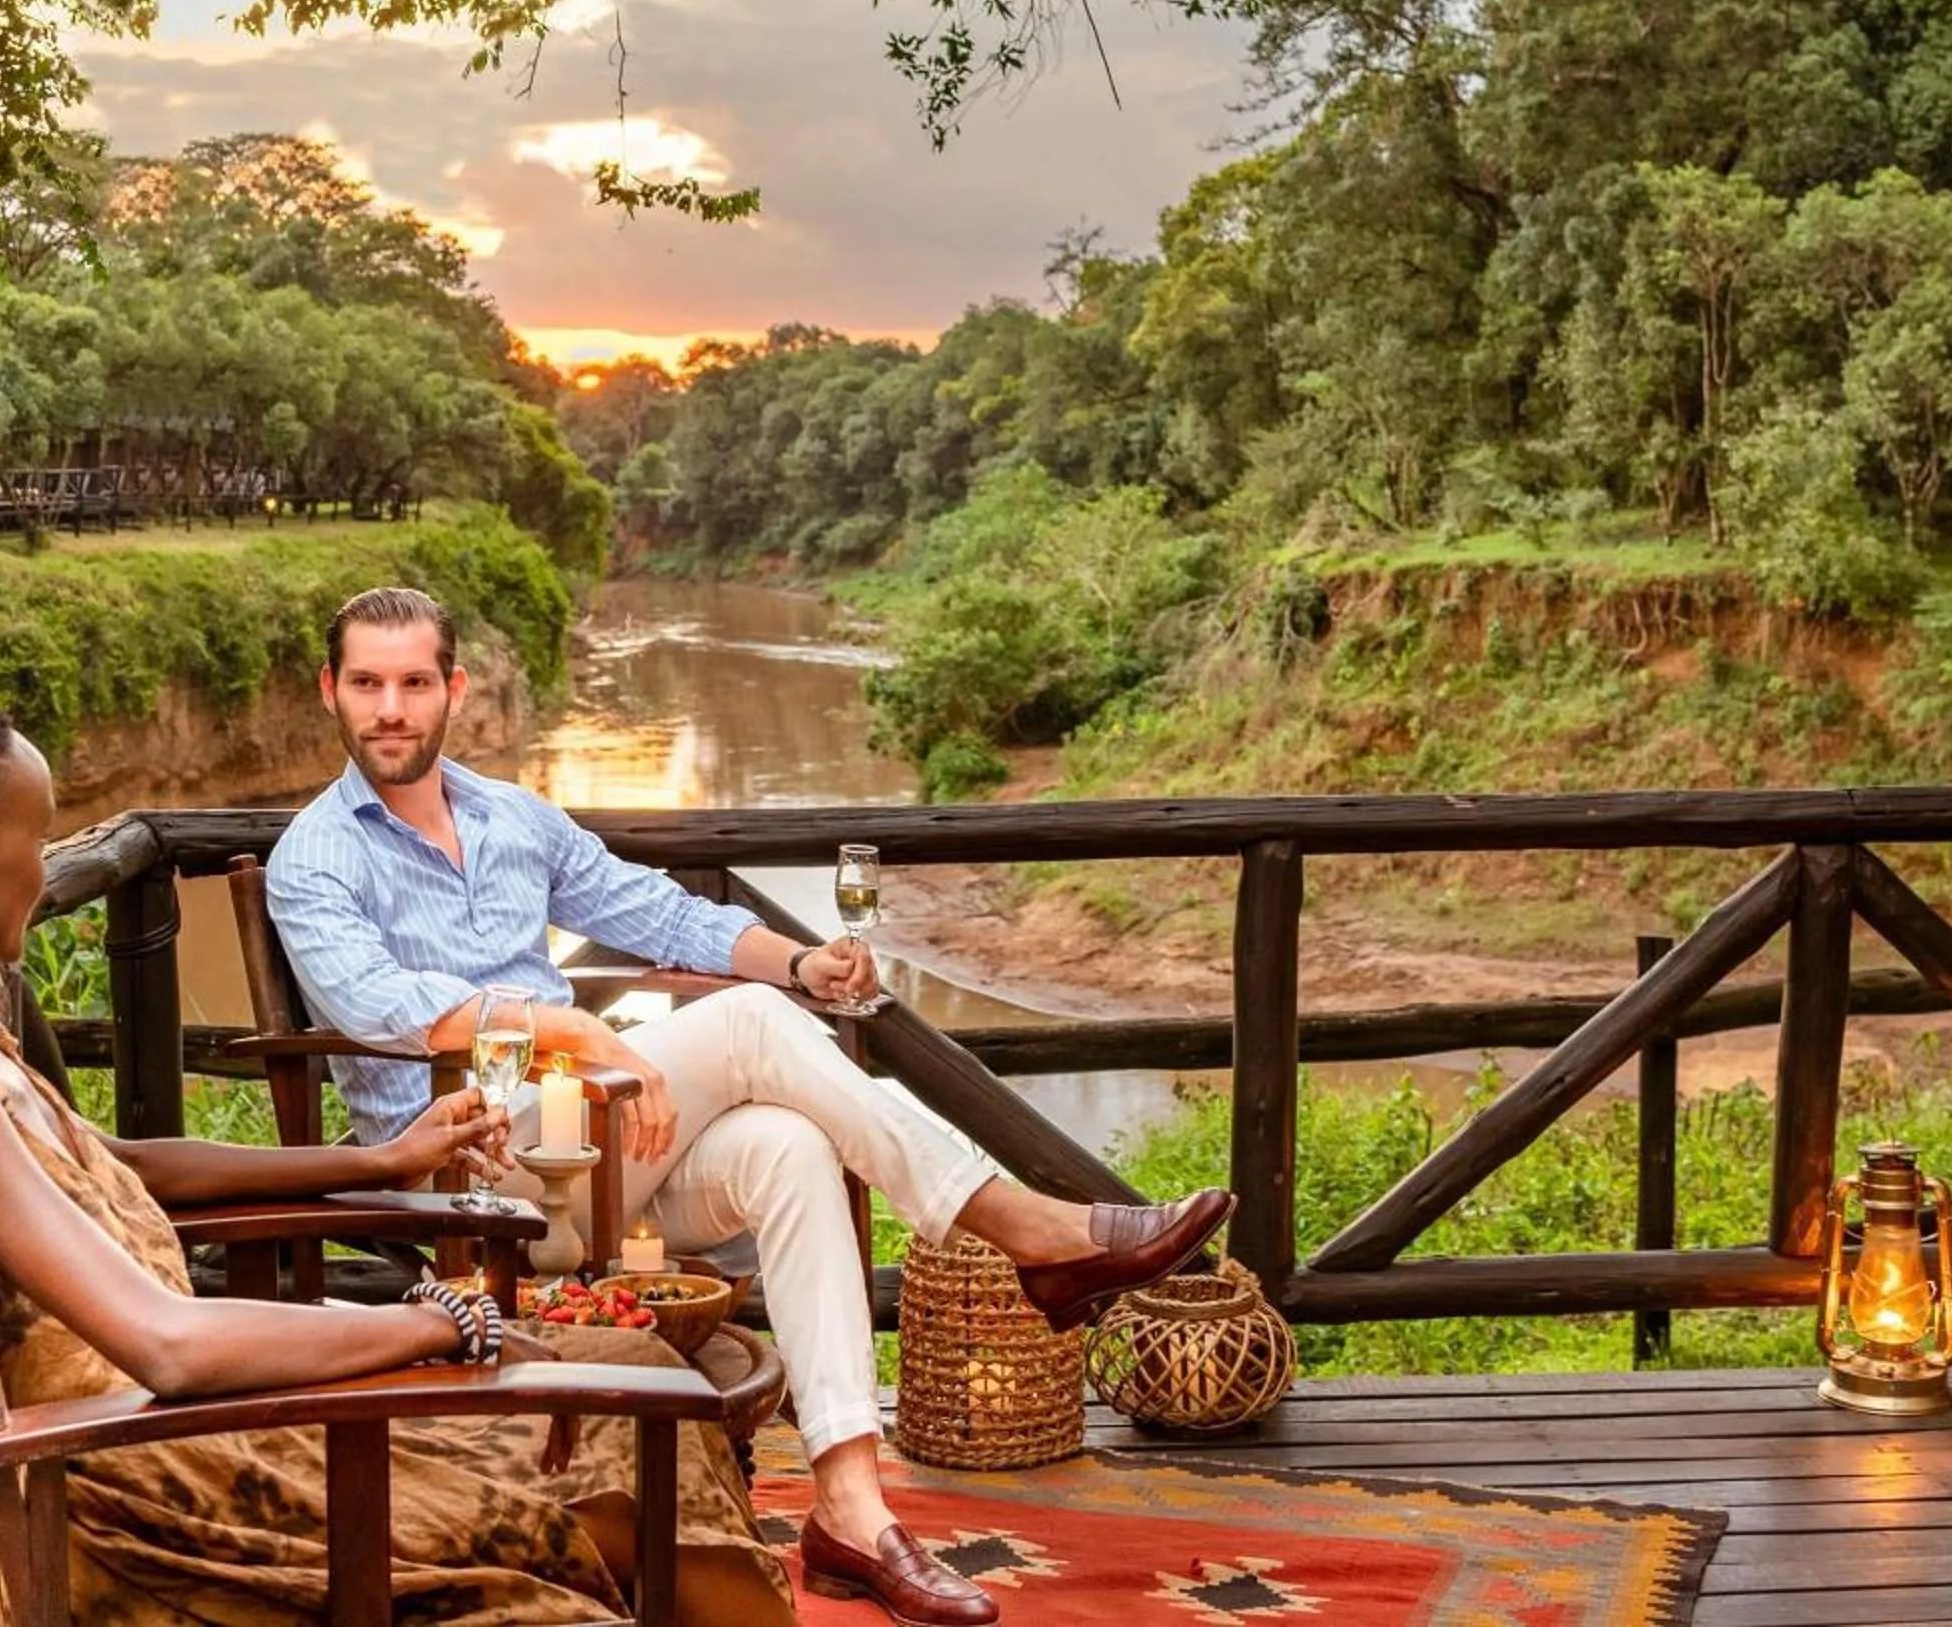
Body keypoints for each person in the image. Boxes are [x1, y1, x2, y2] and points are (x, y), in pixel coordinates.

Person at [269, 587, 1237, 1627]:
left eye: (414, 683)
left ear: (454, 690)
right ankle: (1028, 1231)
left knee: (784, 1145)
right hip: (463, 1170)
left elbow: (655, 909)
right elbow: (386, 1009)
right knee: (750, 1027)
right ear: (332, 691)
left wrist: (804, 960)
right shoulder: (315, 858)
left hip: (588, 1147)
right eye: (367, 684)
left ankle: (852, 1510)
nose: (390, 709)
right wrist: (580, 1034)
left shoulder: (513, 818)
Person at [0, 681, 795, 1625]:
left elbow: (119, 1166)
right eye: (42, 842)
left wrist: (372, 1162)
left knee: (623, 1363)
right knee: (639, 1407)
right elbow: (167, 1343)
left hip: (176, 1433)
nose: (46, 871)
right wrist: (434, 1325)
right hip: (153, 1485)